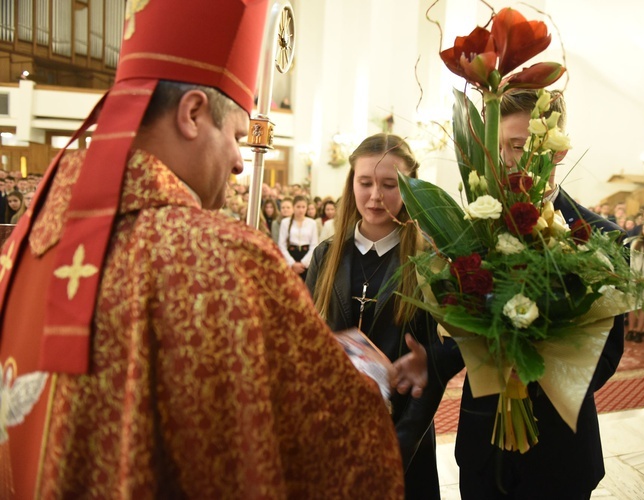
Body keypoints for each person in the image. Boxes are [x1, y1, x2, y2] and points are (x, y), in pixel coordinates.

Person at [0, 2, 418, 496]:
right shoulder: (223, 260)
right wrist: (371, 378)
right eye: (238, 135)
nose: (242, 162)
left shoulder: (29, 238)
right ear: (194, 113)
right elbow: (335, 444)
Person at [453, 88, 625, 499]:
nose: (506, 161)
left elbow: (608, 352)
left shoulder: (600, 236)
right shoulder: (472, 226)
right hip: (482, 440)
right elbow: (451, 315)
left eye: (516, 146)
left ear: (557, 149)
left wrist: (531, 370)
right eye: (497, 147)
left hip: (560, 445)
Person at [306, 133, 462, 500]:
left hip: (404, 436)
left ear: (410, 188)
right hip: (333, 432)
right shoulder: (325, 256)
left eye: (390, 185)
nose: (376, 196)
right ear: (352, 184)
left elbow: (446, 355)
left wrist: (399, 445)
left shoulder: (430, 260)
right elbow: (308, 339)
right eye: (366, 183)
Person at [279, 195, 318, 280]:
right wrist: (292, 263)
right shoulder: (285, 222)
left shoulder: (312, 223)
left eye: (303, 207)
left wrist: (304, 263)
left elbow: (314, 244)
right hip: (291, 255)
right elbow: (282, 245)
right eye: (298, 207)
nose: (301, 210)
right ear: (293, 207)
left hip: (306, 256)